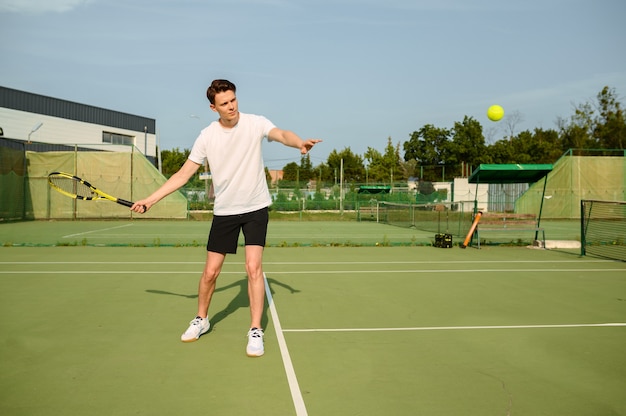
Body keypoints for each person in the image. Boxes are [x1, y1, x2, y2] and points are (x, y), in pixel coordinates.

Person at [130, 79, 321, 357]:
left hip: (256, 208)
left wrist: (298, 143)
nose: (231, 106)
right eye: (224, 103)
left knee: (253, 268)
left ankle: (255, 329)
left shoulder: (255, 123)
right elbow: (183, 175)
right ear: (213, 107)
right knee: (210, 272)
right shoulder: (207, 136)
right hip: (225, 212)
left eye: (233, 100)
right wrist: (150, 200)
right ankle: (202, 319)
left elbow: (281, 133)